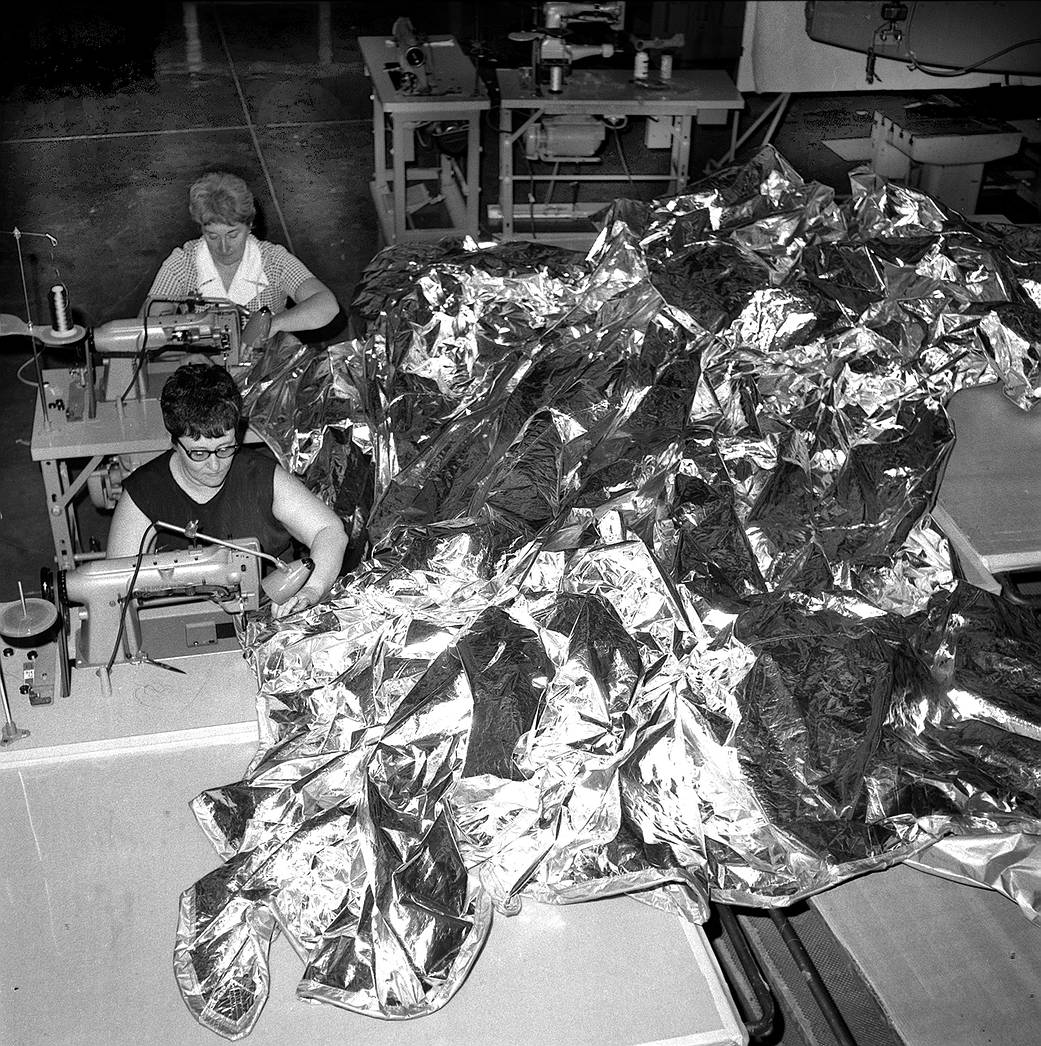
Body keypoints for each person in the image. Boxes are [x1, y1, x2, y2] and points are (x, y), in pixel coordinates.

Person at [107, 363, 348, 615]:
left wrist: (310, 591)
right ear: (174, 443)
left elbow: (330, 531)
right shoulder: (144, 494)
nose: (214, 465)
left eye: (225, 449)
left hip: (270, 613)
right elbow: (115, 591)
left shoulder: (261, 476)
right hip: (179, 621)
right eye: (198, 453)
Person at [145, 171, 339, 340]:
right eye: (212, 236)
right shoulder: (183, 263)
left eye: (232, 235)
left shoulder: (273, 261)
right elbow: (145, 327)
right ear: (201, 227)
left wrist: (273, 324)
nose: (223, 247)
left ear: (250, 224)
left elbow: (326, 304)